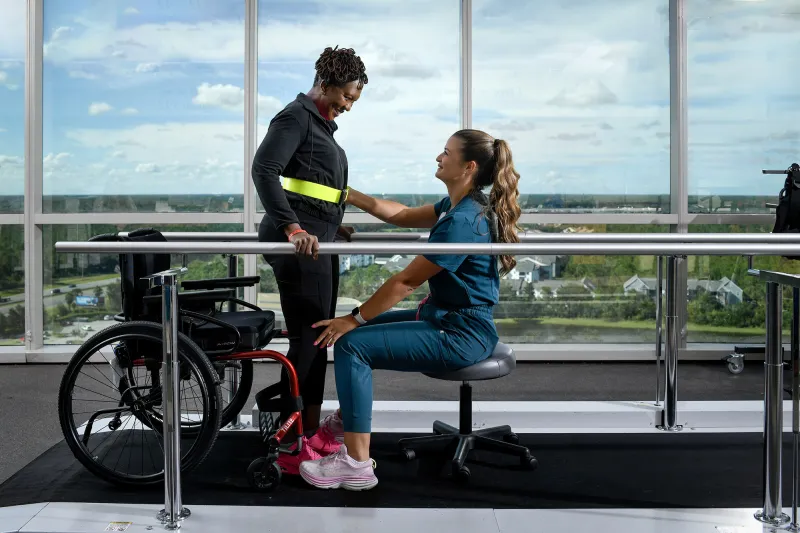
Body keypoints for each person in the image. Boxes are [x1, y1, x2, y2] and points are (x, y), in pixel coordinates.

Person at [297, 129, 522, 490]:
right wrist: (343, 194)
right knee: (355, 337)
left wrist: (353, 317)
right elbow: (400, 214)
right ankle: (345, 424)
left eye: (446, 153)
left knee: (352, 343)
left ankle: (355, 463)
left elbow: (406, 282)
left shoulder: (463, 222)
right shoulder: (459, 206)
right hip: (444, 317)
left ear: (469, 166)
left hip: (461, 334)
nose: (439, 157)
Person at [252, 46, 367, 474]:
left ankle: (304, 435)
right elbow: (264, 169)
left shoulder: (320, 123)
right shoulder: (295, 117)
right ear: (328, 82)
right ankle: (290, 442)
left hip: (319, 237)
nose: (348, 106)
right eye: (347, 96)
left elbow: (309, 183)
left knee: (316, 338)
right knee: (309, 338)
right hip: (300, 242)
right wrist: (293, 228)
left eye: (353, 100)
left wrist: (330, 224)